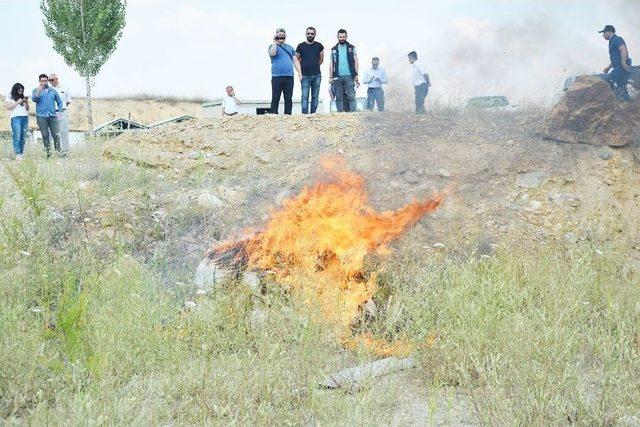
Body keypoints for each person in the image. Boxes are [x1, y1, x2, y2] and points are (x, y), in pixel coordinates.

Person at [268, 28, 302, 115]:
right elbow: (272, 53)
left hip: (289, 76)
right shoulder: (272, 46)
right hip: (277, 76)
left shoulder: (290, 48)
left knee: (288, 98)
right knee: (275, 97)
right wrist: (275, 41)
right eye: (279, 36)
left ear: (285, 37)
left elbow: (295, 61)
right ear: (276, 36)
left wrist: (299, 73)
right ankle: (273, 114)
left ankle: (288, 115)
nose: (281, 38)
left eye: (283, 37)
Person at [32, 74, 64, 158]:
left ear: (48, 81)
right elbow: (34, 99)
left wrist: (60, 111)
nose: (44, 82)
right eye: (42, 81)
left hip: (53, 116)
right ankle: (48, 153)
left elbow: (60, 102)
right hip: (41, 116)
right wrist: (38, 91)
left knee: (56, 135)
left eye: (46, 80)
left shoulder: (53, 91)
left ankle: (58, 153)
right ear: (39, 81)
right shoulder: (35, 90)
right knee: (45, 135)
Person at [599, 25, 632, 102]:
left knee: (607, 80)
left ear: (610, 31)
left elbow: (623, 50)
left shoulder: (617, 39)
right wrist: (608, 67)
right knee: (621, 86)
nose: (603, 35)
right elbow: (615, 59)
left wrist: (623, 63)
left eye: (604, 33)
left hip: (621, 67)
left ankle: (616, 99)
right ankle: (628, 103)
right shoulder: (612, 42)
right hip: (618, 66)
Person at [330, 29, 359, 113]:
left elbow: (356, 61)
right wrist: (330, 76)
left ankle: (353, 112)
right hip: (337, 76)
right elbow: (331, 64)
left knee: (351, 96)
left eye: (343, 37)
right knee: (338, 97)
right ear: (337, 37)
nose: (342, 38)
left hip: (349, 75)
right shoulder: (333, 49)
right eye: (340, 37)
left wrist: (356, 74)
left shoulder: (352, 48)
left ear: (346, 37)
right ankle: (340, 114)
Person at [296, 27, 324, 114]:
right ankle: (305, 115)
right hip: (304, 76)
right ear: (306, 34)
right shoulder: (300, 46)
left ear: (315, 34)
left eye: (312, 33)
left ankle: (313, 115)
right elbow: (297, 60)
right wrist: (302, 69)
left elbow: (321, 60)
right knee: (304, 96)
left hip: (317, 75)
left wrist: (313, 65)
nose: (310, 35)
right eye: (308, 33)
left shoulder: (319, 46)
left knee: (315, 97)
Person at [4, 83, 30, 160]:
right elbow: (8, 107)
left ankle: (21, 153)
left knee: (23, 137)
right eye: (19, 91)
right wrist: (18, 102)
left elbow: (27, 109)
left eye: (21, 91)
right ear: (15, 90)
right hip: (15, 118)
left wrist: (26, 102)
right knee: (17, 136)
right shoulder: (10, 97)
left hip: (25, 117)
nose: (20, 92)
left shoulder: (22, 97)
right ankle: (17, 153)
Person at [49, 73, 71, 156]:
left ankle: (65, 151)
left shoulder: (65, 88)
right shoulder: (48, 89)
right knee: (51, 132)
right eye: (49, 80)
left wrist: (61, 109)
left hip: (62, 112)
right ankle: (51, 151)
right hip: (51, 113)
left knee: (63, 131)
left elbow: (68, 101)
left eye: (52, 80)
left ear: (56, 79)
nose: (50, 82)